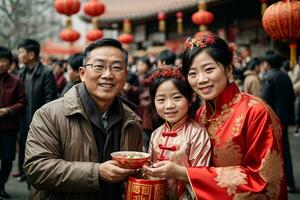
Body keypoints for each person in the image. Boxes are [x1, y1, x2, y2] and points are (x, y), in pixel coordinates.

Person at [144, 34, 287, 199]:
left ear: (228, 69)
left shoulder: (257, 111)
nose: (201, 79)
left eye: (209, 69)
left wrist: (185, 173)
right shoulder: (200, 114)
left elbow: (265, 179)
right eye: (193, 73)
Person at [24, 38, 143, 199]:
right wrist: (97, 172)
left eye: (116, 67)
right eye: (99, 66)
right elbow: (37, 169)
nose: (107, 75)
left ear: (125, 75)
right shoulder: (49, 114)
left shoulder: (132, 121)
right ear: (82, 73)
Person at [144, 65, 211, 199]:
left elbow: (201, 178)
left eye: (176, 98)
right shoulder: (155, 134)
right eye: (161, 100)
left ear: (190, 99)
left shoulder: (197, 133)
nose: (169, 105)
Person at [13, 39, 57, 182]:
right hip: (22, 118)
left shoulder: (46, 72)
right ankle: (23, 172)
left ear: (31, 55)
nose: (19, 55)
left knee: (37, 148)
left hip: (39, 118)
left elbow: (50, 98)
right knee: (23, 144)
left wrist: (44, 119)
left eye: (21, 52)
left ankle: (33, 176)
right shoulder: (20, 73)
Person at [261, 50, 296, 192]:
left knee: (275, 151)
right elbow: (291, 96)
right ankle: (290, 182)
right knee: (285, 149)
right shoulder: (285, 75)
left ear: (268, 64)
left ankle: (279, 182)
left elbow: (264, 101)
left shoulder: (269, 77)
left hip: (273, 118)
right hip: (285, 117)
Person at [0, 46, 26, 199]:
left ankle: (1, 184)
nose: (1, 64)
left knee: (7, 159)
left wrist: (8, 110)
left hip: (8, 128)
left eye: (4, 61)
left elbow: (23, 102)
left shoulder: (16, 82)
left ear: (10, 63)